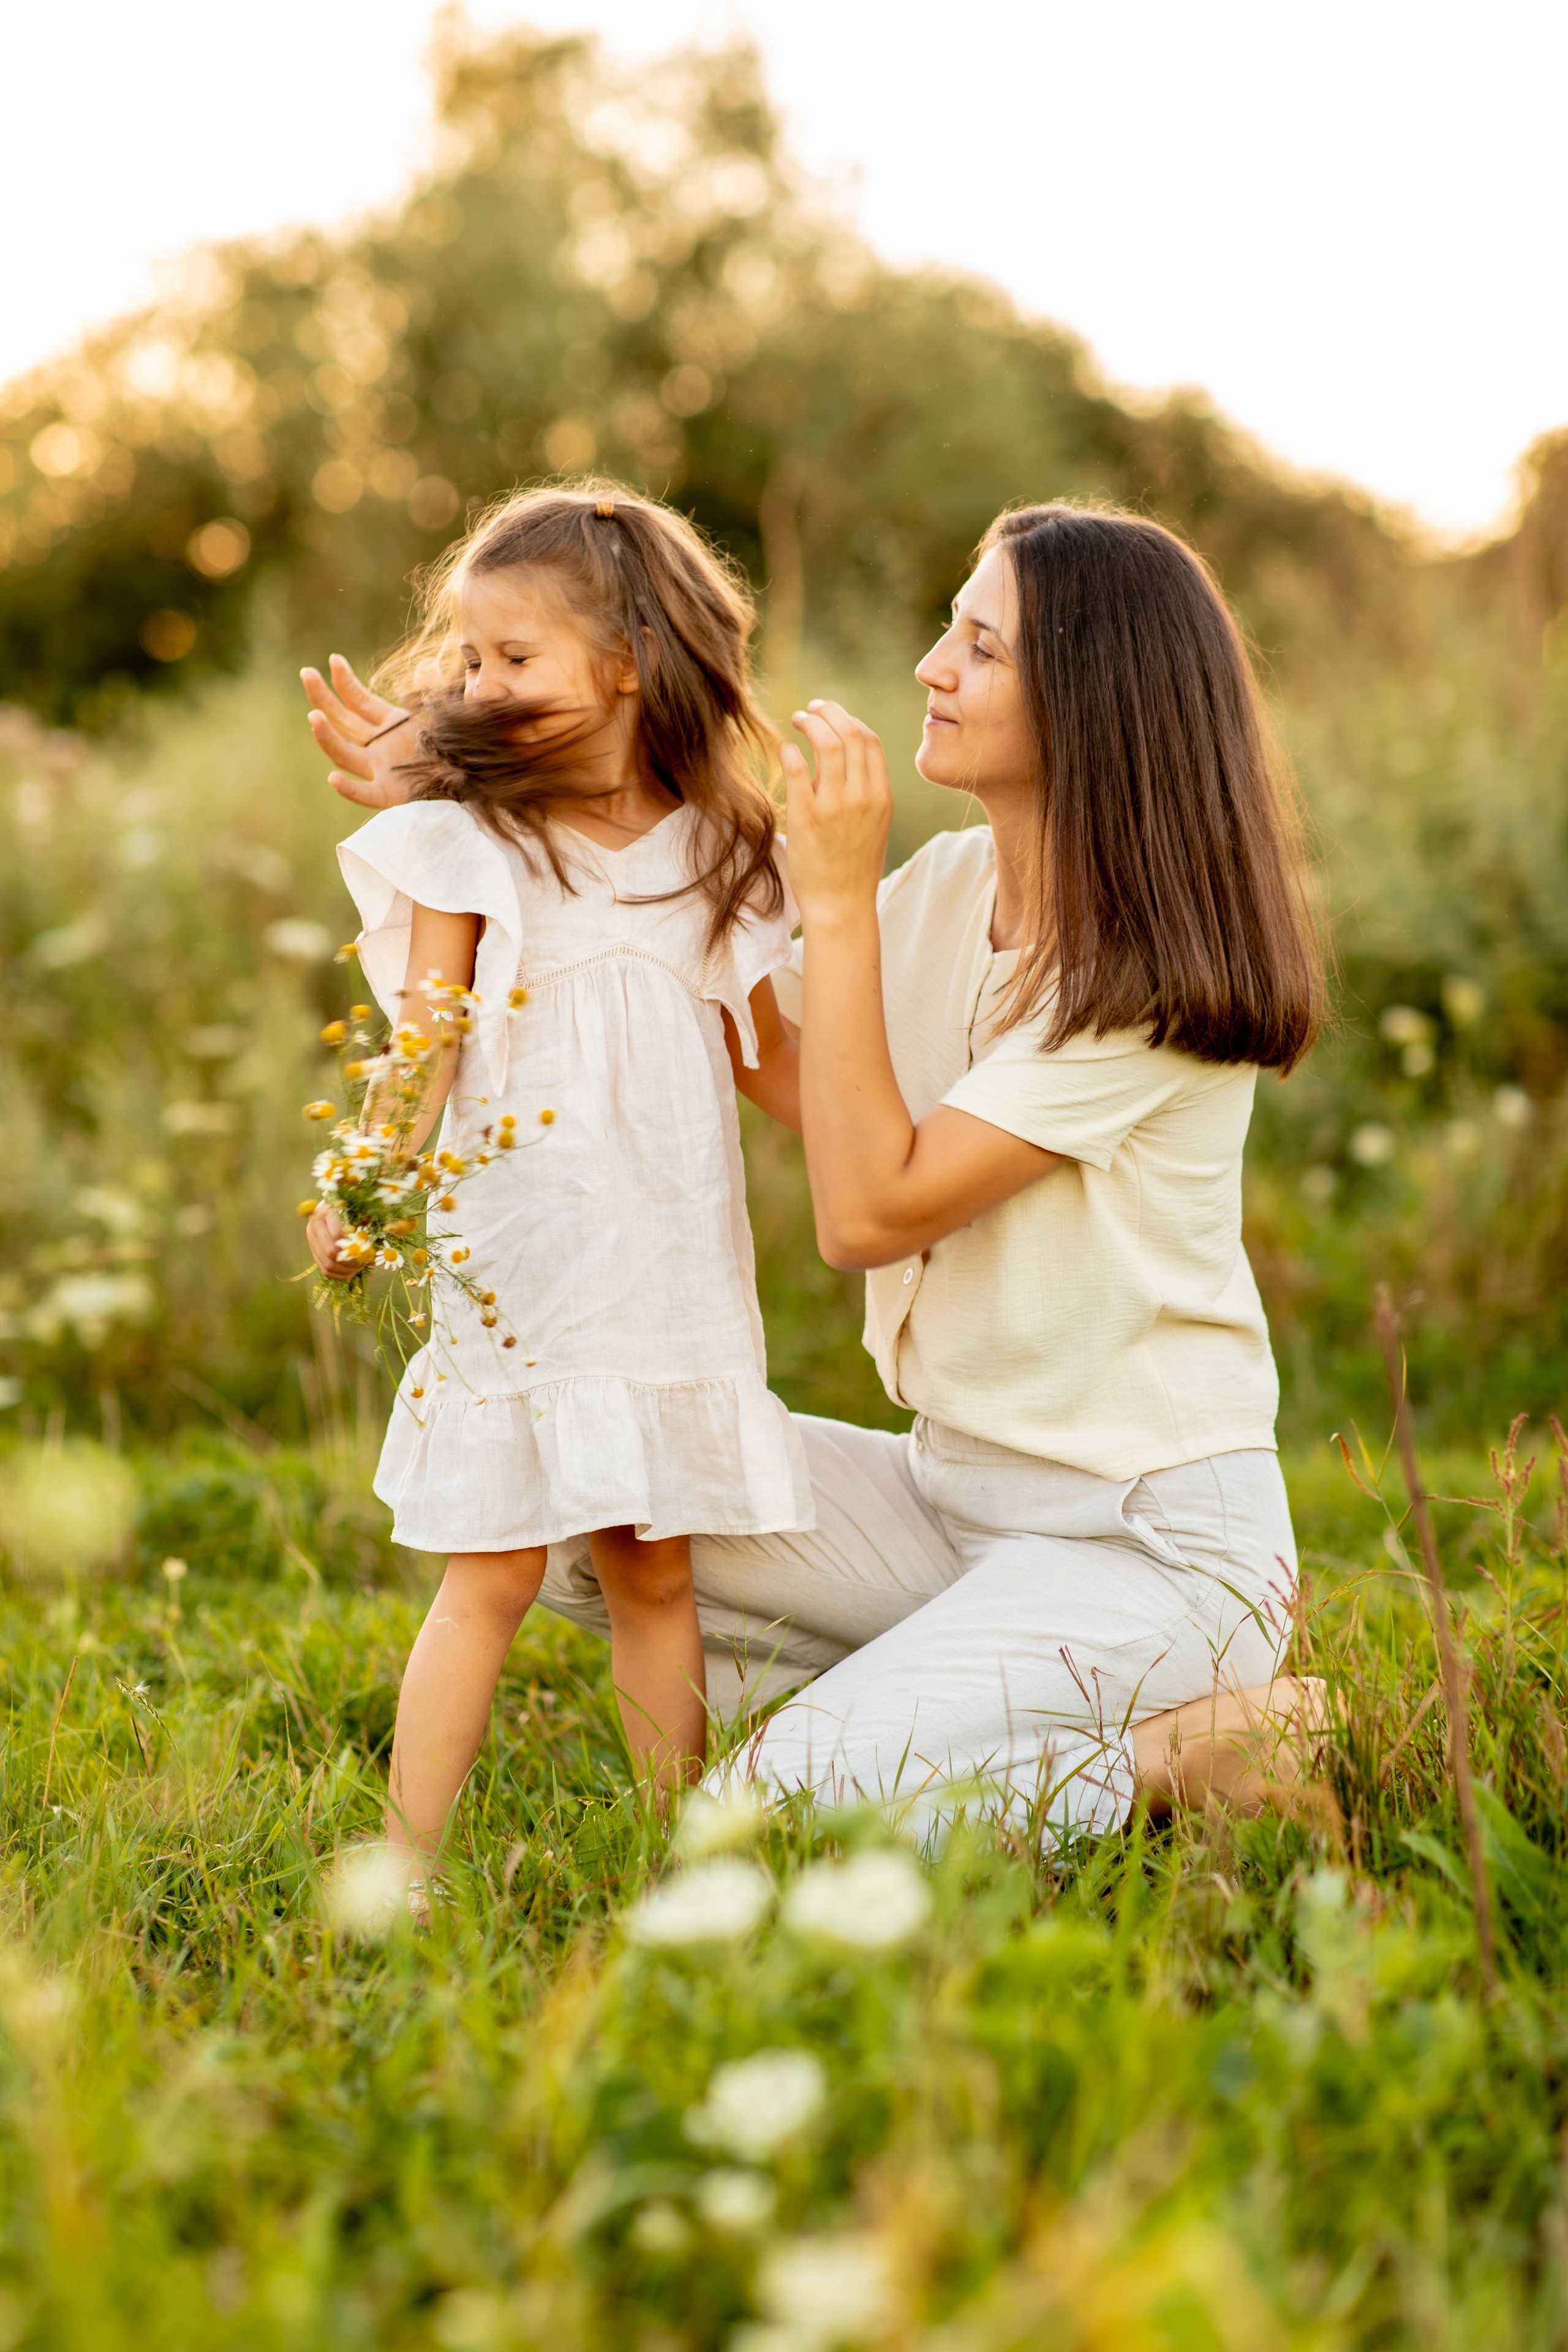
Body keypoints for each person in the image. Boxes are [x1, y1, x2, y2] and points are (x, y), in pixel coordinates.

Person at [307, 496, 1327, 1842]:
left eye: (979, 646)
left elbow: (867, 1211)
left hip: (1137, 1537)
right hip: (946, 1491)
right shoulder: (953, 888)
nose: (929, 668)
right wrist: (480, 796)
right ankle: (968, 1699)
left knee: (770, 1829)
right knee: (587, 1504)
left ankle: (1201, 1741)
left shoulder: (1146, 991)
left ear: (1089, 704)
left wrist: (834, 898)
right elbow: (708, 1007)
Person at [303, 484, 812, 1875]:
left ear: (632, 662)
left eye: (512, 658)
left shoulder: (721, 855)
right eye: (467, 659)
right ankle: (403, 1861)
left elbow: (772, 1058)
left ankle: (675, 1857)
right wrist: (364, 1190)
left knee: (656, 1566)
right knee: (495, 1568)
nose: (477, 684)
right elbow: (424, 1040)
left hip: (666, 1259)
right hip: (519, 1259)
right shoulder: (470, 841)